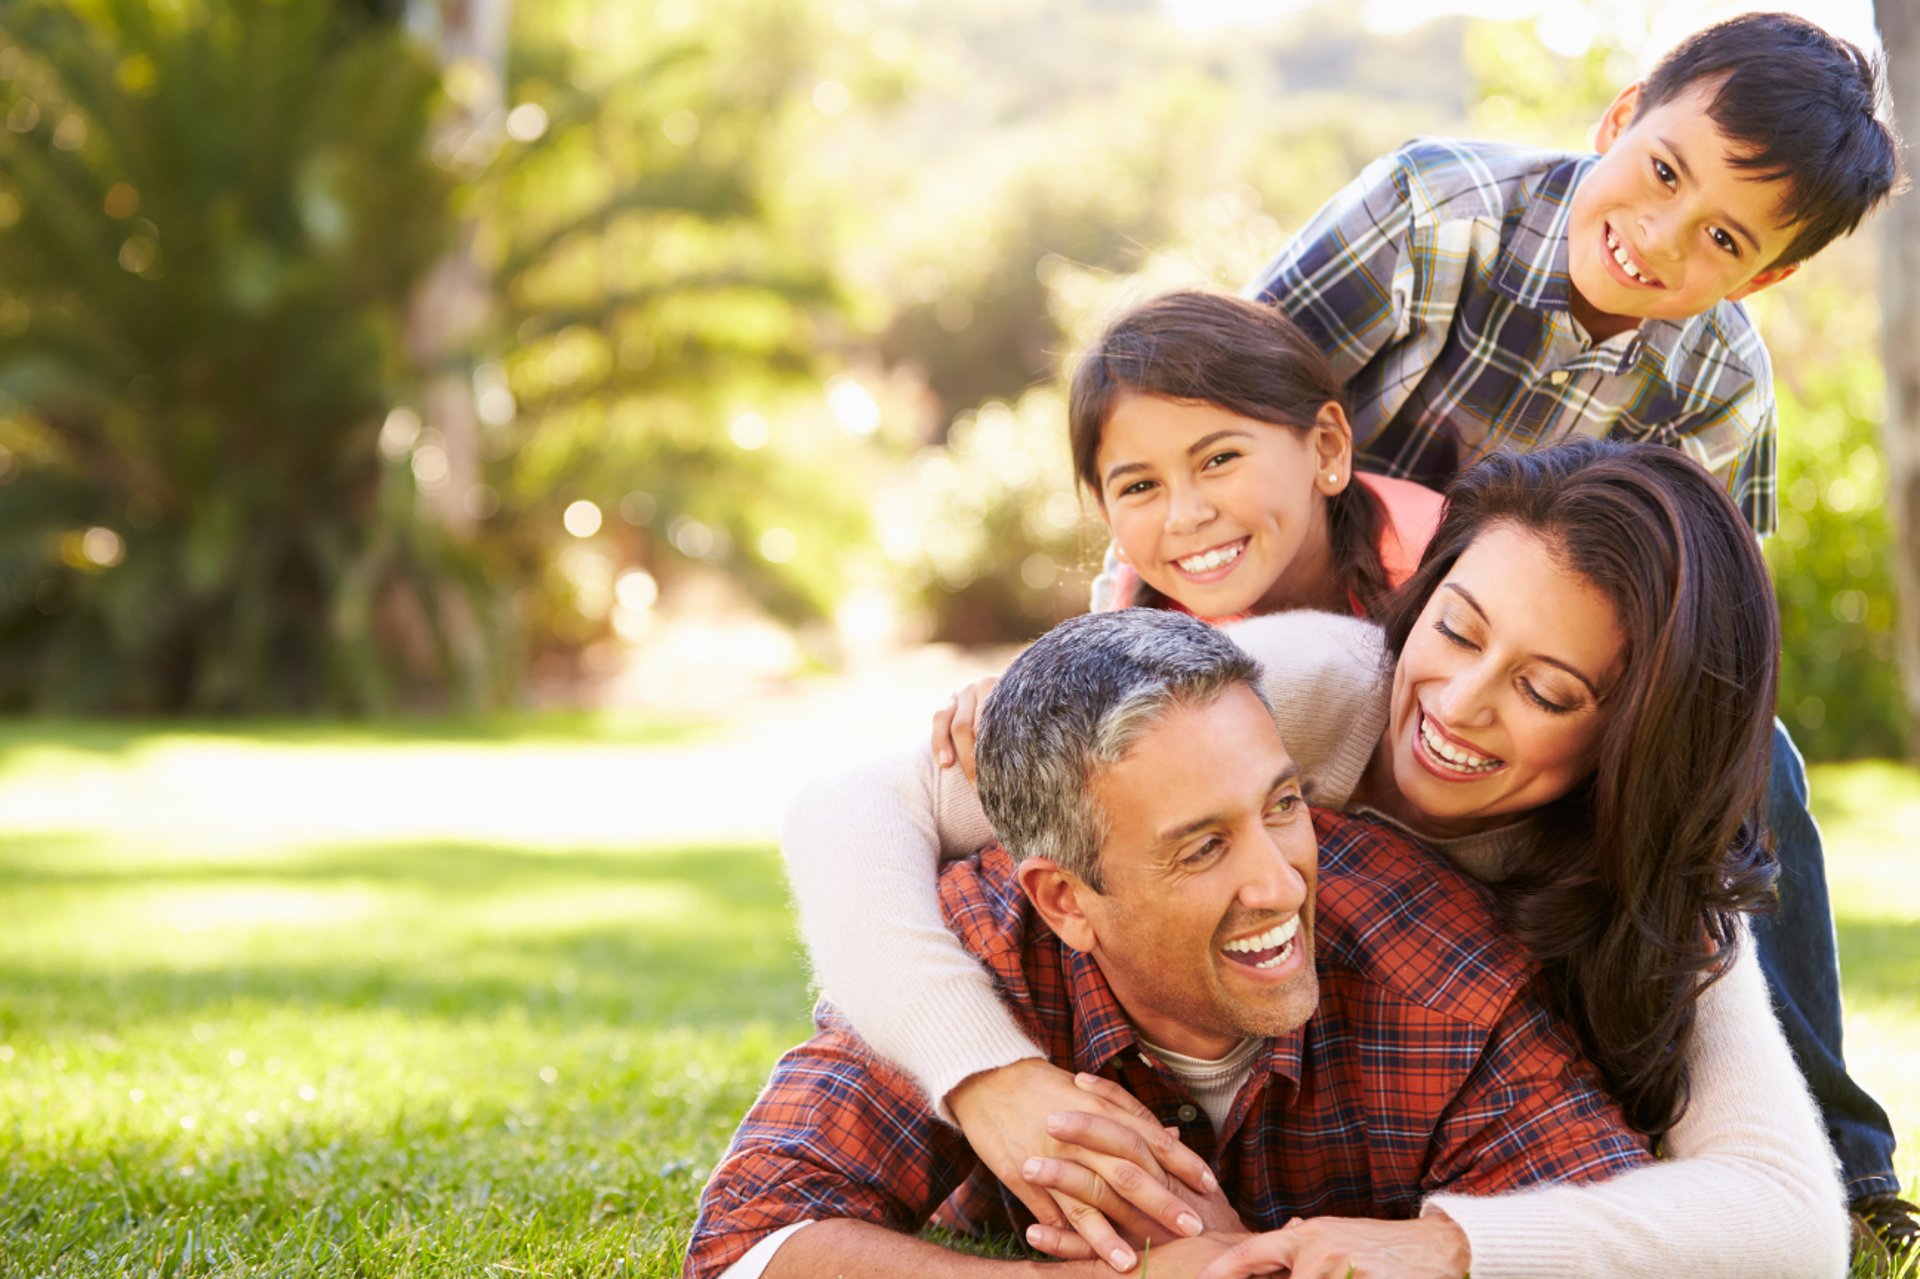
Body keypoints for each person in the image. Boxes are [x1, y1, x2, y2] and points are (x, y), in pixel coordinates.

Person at [782, 441, 1849, 1279]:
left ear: (1637, 736)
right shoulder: (1295, 688)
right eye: (1460, 630)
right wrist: (989, 1076)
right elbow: (850, 805)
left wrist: (1449, 1245)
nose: (1460, 704)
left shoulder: (1655, 891)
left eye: (1549, 690)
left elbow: (1791, 1223)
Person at [1232, 10, 1909, 1251]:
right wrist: (1122, 630)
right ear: (1617, 120)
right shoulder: (1435, 211)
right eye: (1662, 172)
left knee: (1756, 762)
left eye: (1720, 238)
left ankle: (1836, 1157)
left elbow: (1706, 630)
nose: (1658, 237)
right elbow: (1216, 417)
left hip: (1535, 691)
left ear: (1763, 276)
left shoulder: (1719, 381)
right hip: (1316, 614)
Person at [685, 608, 1653, 1279]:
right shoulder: (967, 953)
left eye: (1283, 805)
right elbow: (751, 1246)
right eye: (1202, 846)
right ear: (1066, 901)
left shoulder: (1445, 982)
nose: (1281, 883)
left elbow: (1627, 1238)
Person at [1065, 290, 1442, 625]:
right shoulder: (1137, 620)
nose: (1186, 517)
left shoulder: (1444, 567)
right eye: (1140, 486)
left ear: (1327, 448)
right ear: (1107, 516)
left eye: (1219, 459)